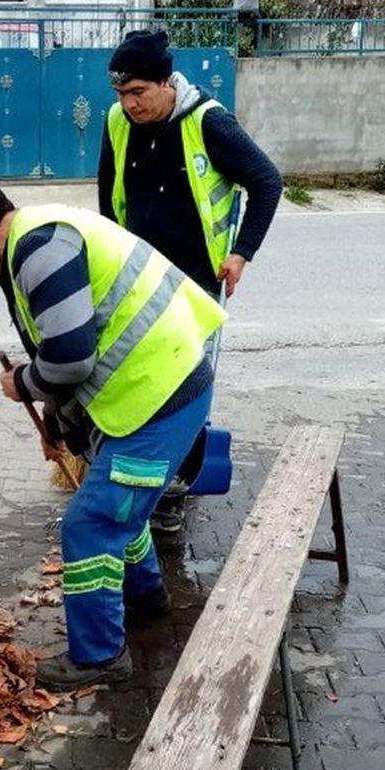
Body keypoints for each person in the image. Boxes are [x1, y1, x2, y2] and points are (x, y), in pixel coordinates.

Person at [0, 166, 224, 691]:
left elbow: (68, 360)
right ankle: (146, 598)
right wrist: (62, 430)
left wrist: (21, 384)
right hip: (164, 385)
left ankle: (100, 656)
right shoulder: (40, 232)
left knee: (90, 525)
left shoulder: (38, 252)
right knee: (118, 506)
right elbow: (70, 357)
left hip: (160, 397)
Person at [98, 26, 283, 532]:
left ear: (166, 82)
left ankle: (176, 486)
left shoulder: (209, 123)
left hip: (195, 281)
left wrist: (242, 253)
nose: (129, 105)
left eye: (137, 93)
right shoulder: (117, 121)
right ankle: (141, 474)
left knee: (184, 383)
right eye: (121, 94)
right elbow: (107, 193)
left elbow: (268, 182)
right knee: (139, 379)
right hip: (136, 278)